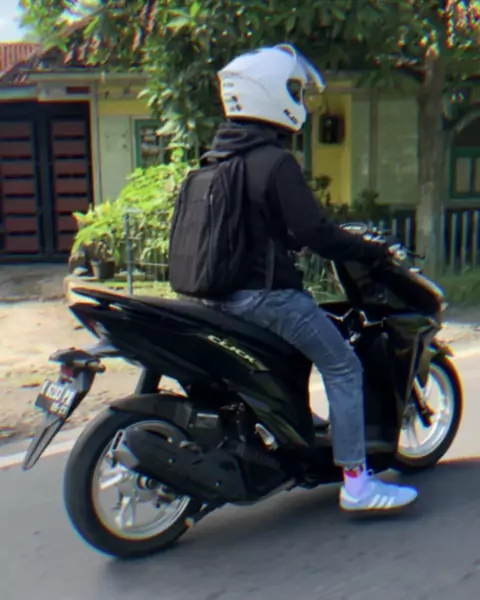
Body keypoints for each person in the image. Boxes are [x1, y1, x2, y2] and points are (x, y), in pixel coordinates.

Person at [204, 44, 418, 513]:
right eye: (294, 89)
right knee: (343, 366)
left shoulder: (218, 159)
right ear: (270, 93)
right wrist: (370, 251)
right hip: (268, 300)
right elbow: (315, 232)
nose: (298, 99)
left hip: (218, 299)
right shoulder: (274, 161)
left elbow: (252, 230)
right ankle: (357, 485)